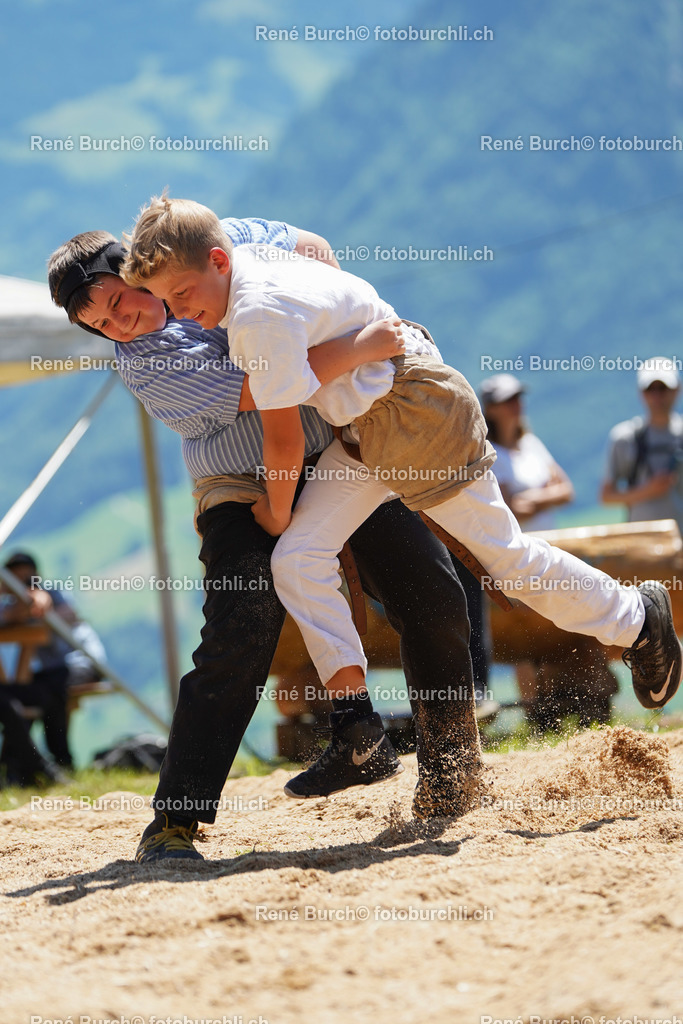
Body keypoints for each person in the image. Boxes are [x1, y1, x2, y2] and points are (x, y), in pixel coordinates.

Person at [121, 194, 682, 801]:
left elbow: (282, 443)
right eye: (168, 301)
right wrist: (360, 345)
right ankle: (356, 728)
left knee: (508, 562)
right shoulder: (249, 259)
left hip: (414, 416)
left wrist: (273, 512)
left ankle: (638, 620)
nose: (178, 313)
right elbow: (313, 250)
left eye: (181, 295)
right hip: (366, 429)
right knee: (299, 561)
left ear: (217, 260)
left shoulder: (255, 314)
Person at [48, 219, 486, 863]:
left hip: (328, 455)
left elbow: (303, 242)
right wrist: (364, 345)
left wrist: (312, 263)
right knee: (241, 630)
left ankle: (451, 774)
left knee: (434, 594)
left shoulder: (200, 254)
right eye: (102, 325)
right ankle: (175, 819)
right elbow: (266, 389)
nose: (122, 323)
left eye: (121, 300)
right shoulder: (145, 364)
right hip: (239, 485)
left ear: (139, 270)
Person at [0, 551, 92, 769]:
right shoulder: (13, 606)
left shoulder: (53, 594)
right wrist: (18, 610)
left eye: (27, 579)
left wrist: (38, 604)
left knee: (45, 690)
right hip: (53, 671)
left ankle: (57, 759)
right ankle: (19, 762)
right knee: (24, 693)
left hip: (81, 663)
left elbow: (70, 614)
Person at [601, 357, 683, 538]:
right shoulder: (624, 438)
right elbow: (607, 496)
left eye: (663, 388)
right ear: (641, 393)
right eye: (650, 389)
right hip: (640, 543)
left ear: (677, 390)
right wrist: (649, 490)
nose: (657, 396)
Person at [480, 374, 574, 531]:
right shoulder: (488, 455)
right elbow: (510, 511)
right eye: (507, 400)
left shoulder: (531, 443)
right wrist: (549, 495)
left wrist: (530, 498)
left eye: (517, 397)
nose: (516, 404)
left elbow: (567, 492)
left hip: (551, 543)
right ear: (491, 409)